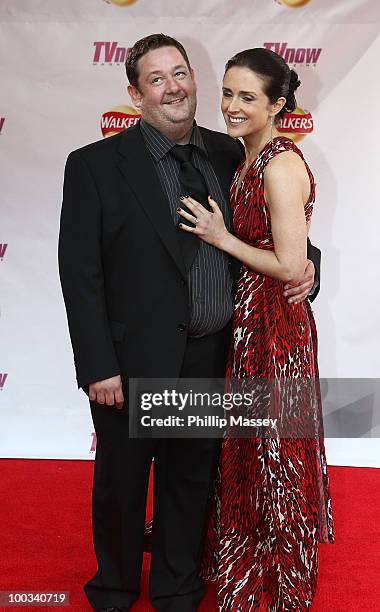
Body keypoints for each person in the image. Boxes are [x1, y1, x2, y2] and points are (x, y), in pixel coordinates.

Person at [58, 35, 320, 612]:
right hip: (130, 365)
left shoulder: (232, 154)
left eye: (181, 73)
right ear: (133, 93)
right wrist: (97, 365)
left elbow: (281, 234)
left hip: (211, 355)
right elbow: (80, 278)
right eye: (157, 79)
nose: (174, 86)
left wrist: (309, 271)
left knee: (190, 481)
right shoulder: (95, 166)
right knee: (122, 487)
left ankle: (178, 585)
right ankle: (115, 589)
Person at [176, 48, 334, 610]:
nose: (232, 106)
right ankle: (244, 563)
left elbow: (293, 266)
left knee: (276, 456)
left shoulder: (282, 164)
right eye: (227, 93)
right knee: (248, 454)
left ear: (277, 104)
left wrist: (223, 239)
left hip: (276, 330)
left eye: (247, 97)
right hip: (245, 326)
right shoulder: (244, 157)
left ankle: (281, 576)